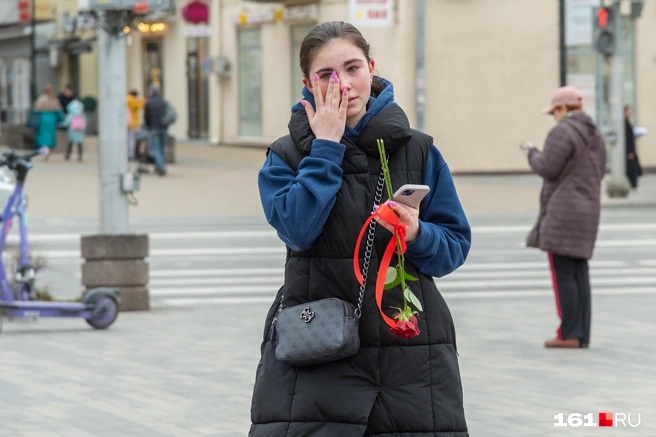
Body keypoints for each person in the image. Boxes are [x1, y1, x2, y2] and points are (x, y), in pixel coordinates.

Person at [250, 21, 472, 436]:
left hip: (410, 351)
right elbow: (298, 229)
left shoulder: (418, 149)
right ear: (307, 84)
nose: (343, 85)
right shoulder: (285, 155)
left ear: (372, 68)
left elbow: (454, 246)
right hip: (317, 347)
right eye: (327, 75)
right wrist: (326, 149)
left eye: (353, 69)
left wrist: (418, 234)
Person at [521, 86, 606, 349]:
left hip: (563, 212)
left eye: (553, 112)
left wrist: (532, 152)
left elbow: (547, 167)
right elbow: (600, 171)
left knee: (563, 275)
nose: (553, 118)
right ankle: (582, 334)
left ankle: (568, 333)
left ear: (561, 109)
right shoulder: (595, 134)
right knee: (579, 272)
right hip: (588, 209)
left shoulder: (562, 131)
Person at [33, 84, 63, 160]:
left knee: (43, 135)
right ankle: (50, 151)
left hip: (43, 118)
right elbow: (59, 109)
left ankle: (45, 150)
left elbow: (36, 109)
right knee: (51, 135)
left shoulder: (41, 98)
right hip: (52, 118)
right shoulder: (54, 98)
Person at [143, 85, 168, 176]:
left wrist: (148, 126)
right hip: (163, 128)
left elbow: (146, 117)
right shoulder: (163, 101)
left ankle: (160, 167)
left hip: (153, 128)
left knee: (156, 148)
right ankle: (161, 165)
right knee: (162, 148)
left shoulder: (149, 103)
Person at [60, 92, 87, 162]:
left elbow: (67, 121)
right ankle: (80, 155)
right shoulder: (81, 113)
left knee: (70, 143)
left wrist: (62, 124)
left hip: (72, 129)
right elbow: (85, 121)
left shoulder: (71, 113)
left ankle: (68, 155)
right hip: (80, 130)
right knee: (79, 143)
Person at [624, 104, 642, 189]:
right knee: (631, 168)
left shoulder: (627, 123)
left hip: (630, 150)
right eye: (629, 111)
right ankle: (632, 184)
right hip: (629, 151)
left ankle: (633, 184)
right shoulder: (625, 124)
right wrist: (629, 151)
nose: (631, 113)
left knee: (633, 167)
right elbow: (626, 139)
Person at [127, 89, 146, 161]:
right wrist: (141, 99)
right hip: (131, 123)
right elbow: (142, 105)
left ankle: (126, 154)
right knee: (131, 140)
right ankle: (130, 155)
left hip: (124, 124)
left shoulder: (126, 99)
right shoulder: (132, 100)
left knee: (126, 140)